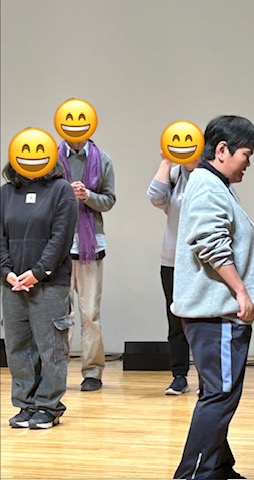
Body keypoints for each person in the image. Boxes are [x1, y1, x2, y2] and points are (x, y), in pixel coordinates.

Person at [172, 115, 254, 480]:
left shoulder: (212, 183)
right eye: (246, 154)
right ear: (222, 150)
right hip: (216, 314)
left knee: (217, 392)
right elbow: (210, 244)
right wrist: (240, 290)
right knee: (220, 395)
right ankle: (192, 475)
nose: (248, 163)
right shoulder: (208, 187)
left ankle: (218, 468)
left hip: (213, 313)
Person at [1, 161, 78, 429]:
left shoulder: (61, 190)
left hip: (50, 284)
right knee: (18, 347)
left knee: (51, 347)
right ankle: (26, 405)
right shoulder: (6, 192)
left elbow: (60, 238)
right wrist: (6, 272)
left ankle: (48, 406)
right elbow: (0, 238)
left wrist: (38, 272)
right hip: (13, 285)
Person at [57, 138, 116, 391]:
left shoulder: (102, 159)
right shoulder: (51, 157)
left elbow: (109, 200)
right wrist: (65, 194)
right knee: (60, 315)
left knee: (90, 314)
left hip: (91, 246)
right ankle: (56, 372)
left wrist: (87, 195)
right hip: (58, 246)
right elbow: (45, 198)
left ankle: (92, 372)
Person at [147, 153, 199, 395]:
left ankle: (207, 378)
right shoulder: (175, 175)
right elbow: (155, 197)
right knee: (175, 321)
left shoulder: (212, 176)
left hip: (203, 262)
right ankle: (179, 376)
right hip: (173, 260)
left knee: (202, 322)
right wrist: (166, 162)